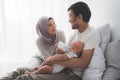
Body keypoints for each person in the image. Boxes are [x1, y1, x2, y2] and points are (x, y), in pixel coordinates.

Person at [0, 16, 66, 80]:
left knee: (34, 73)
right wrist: (39, 68)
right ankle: (7, 77)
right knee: (27, 69)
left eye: (54, 23)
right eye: (49, 25)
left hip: (52, 60)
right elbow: (47, 58)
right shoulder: (39, 40)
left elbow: (65, 51)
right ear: (43, 28)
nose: (54, 26)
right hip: (40, 58)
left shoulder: (61, 33)